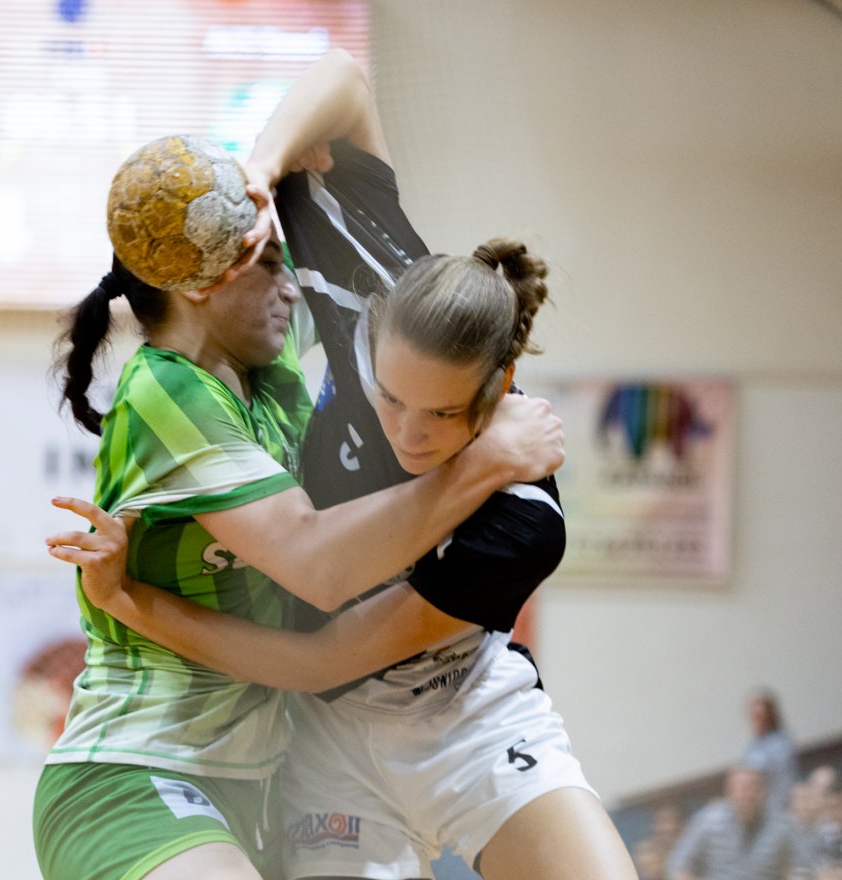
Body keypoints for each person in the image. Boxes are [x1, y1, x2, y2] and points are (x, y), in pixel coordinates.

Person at [46, 49, 637, 880]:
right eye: (388, 398)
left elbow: (324, 643)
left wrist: (128, 599)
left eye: (443, 415)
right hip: (301, 744)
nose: (408, 432)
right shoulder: (362, 312)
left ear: (500, 384)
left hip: (461, 717)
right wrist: (262, 172)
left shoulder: (521, 517)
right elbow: (344, 80)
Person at [666, 765, 794, 880]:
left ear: (764, 791)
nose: (749, 794)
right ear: (730, 790)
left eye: (755, 788)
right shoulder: (708, 821)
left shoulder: (780, 825)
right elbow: (678, 864)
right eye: (744, 788)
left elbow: (796, 865)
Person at [744, 689, 800, 817]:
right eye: (753, 717)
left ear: (770, 717)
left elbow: (784, 784)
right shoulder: (753, 744)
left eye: (760, 717)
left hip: (779, 807)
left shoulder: (781, 745)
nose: (756, 722)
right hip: (759, 809)